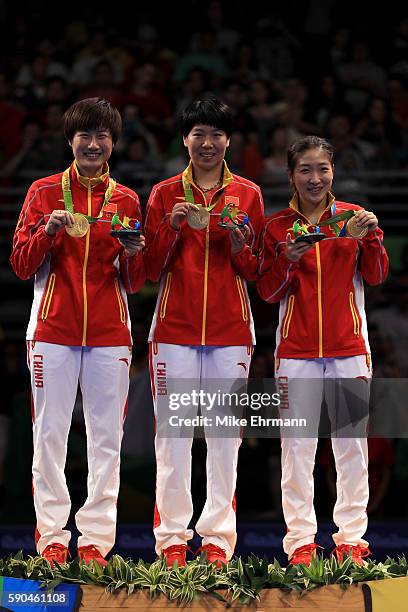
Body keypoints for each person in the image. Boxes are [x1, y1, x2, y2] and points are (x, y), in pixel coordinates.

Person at [10, 97, 145, 567]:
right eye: (85, 136)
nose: (93, 144)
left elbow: (137, 280)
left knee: (107, 438)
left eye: (102, 136)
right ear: (71, 141)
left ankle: (93, 542)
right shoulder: (43, 192)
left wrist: (133, 254)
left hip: (110, 333)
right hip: (52, 330)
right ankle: (51, 536)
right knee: (50, 434)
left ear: (113, 143)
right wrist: (46, 232)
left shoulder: (126, 199)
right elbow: (21, 264)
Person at [256, 135, 389, 566]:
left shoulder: (354, 218)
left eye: (323, 169)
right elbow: (270, 292)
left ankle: (351, 539)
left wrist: (371, 238)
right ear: (291, 175)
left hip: (348, 349)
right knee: (298, 449)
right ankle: (300, 543)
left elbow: (377, 274)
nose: (315, 178)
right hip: (295, 353)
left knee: (350, 447)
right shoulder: (277, 227)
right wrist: (288, 258)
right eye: (306, 170)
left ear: (333, 171)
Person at [144, 98, 264, 568]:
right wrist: (171, 229)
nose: (208, 143)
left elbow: (255, 271)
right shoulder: (163, 193)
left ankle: (217, 540)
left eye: (216, 134)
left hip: (231, 330)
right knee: (172, 437)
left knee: (224, 436)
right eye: (198, 134)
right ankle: (172, 539)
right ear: (184, 140)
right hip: (173, 329)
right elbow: (148, 268)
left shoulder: (249, 193)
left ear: (228, 140)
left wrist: (240, 245)